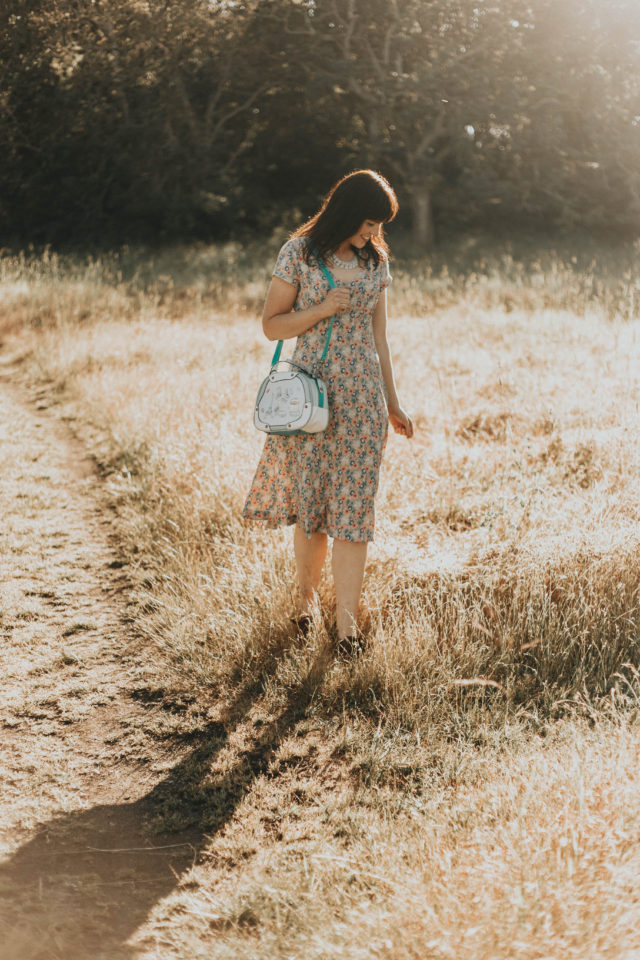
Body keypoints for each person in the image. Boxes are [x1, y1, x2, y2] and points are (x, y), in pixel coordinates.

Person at [243, 169, 413, 652]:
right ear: (344, 212)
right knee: (313, 512)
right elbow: (272, 326)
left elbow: (381, 339)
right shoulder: (298, 254)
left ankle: (346, 629)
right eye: (369, 224)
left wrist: (393, 404)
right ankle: (304, 606)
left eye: (380, 227)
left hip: (363, 405)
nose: (375, 234)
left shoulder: (375, 260)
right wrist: (322, 309)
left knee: (354, 515)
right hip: (310, 401)